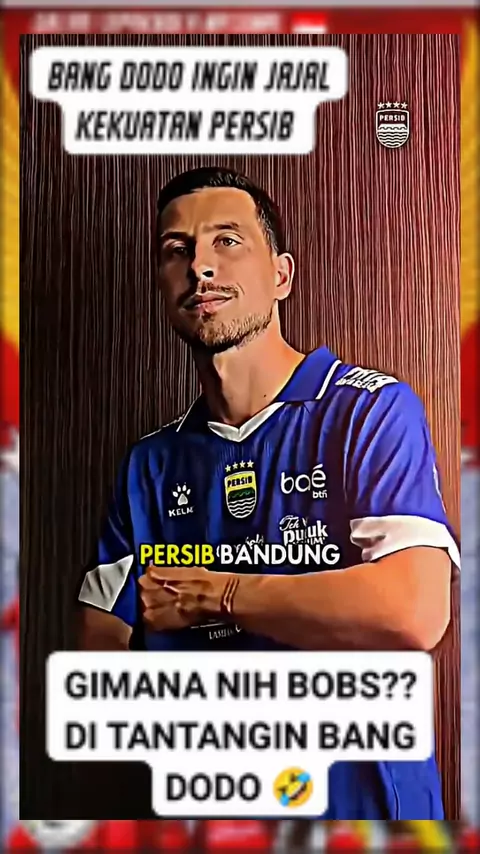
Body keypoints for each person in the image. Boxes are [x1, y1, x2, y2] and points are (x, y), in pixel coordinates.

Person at [77, 166, 459, 819]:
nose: (200, 267)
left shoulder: (368, 411)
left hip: (362, 813)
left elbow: (413, 612)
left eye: (227, 241)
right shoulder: (150, 463)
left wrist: (216, 596)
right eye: (176, 250)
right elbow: (100, 657)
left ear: (281, 275)